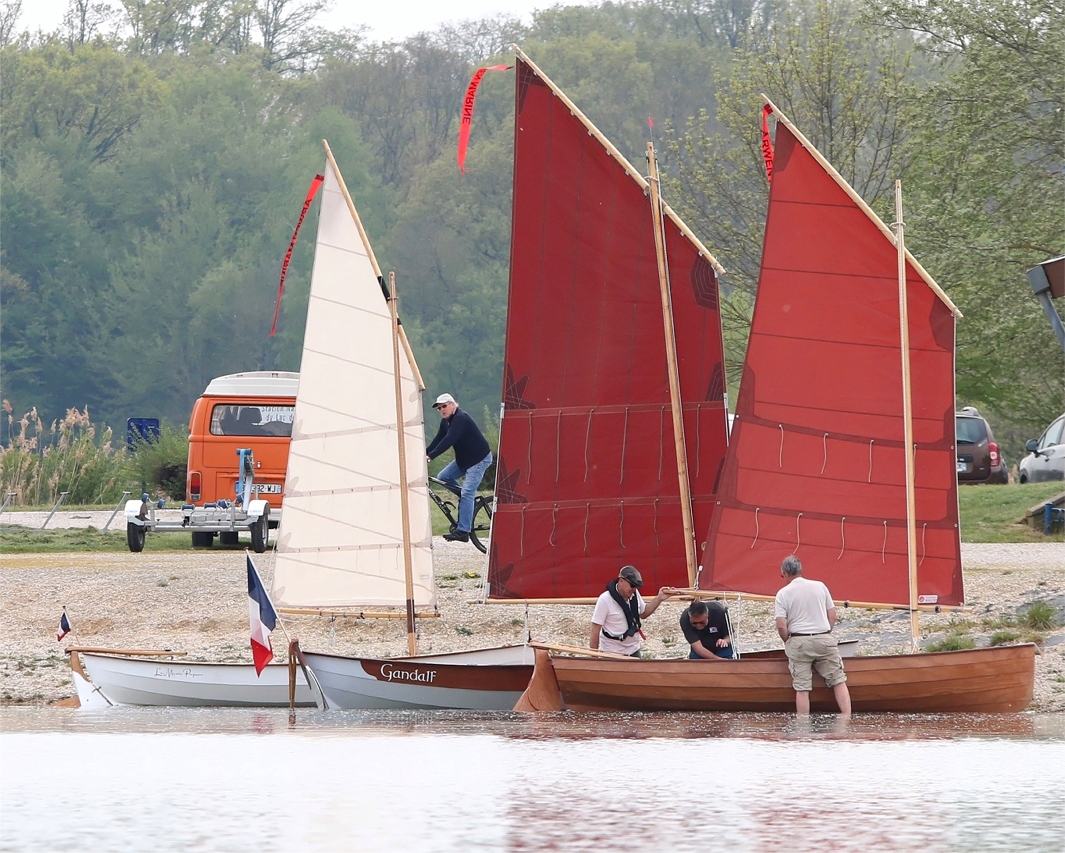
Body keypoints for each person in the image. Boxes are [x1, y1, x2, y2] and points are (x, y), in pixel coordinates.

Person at [774, 556, 851, 716]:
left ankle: (803, 728)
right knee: (838, 680)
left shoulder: (782, 594)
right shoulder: (820, 586)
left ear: (786, 573)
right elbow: (832, 615)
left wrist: (787, 640)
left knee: (802, 688)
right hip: (824, 638)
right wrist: (826, 632)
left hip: (798, 641)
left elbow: (781, 625)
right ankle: (846, 719)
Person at [426, 393, 493, 543]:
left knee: (468, 492)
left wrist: (431, 456)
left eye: (444, 406)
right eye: (439, 408)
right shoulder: (446, 422)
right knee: (443, 477)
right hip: (463, 460)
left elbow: (449, 440)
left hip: (478, 460)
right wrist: (424, 453)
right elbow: (439, 439)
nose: (442, 410)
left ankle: (463, 531)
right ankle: (465, 500)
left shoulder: (461, 419)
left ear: (452, 405)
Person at [590, 565, 670, 657]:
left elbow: (643, 613)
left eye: (636, 587)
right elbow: (595, 631)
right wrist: (594, 658)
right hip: (612, 653)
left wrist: (659, 598)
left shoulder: (634, 594)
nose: (634, 589)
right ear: (621, 581)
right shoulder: (605, 599)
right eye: (632, 585)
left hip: (633, 650)